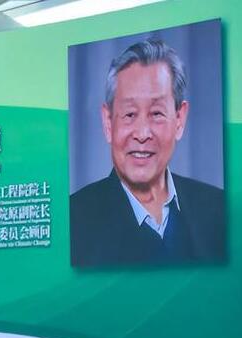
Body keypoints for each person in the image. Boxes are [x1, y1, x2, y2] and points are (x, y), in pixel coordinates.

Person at [70, 39, 224, 267]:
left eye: (156, 113)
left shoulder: (218, 209)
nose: (142, 134)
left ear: (179, 119)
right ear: (108, 122)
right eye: (130, 114)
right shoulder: (73, 219)